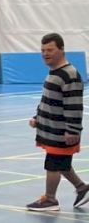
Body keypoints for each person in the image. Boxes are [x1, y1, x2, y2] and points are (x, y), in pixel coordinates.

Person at [27, 32, 87, 210]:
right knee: (62, 163)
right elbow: (48, 101)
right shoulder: (54, 73)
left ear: (61, 50)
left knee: (53, 164)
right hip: (51, 131)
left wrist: (72, 130)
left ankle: (50, 200)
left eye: (50, 50)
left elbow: (74, 105)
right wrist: (37, 118)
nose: (45, 53)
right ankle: (82, 188)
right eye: (43, 50)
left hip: (61, 133)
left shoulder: (70, 75)